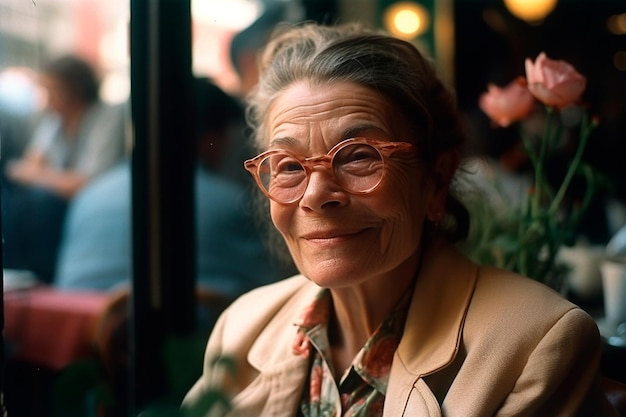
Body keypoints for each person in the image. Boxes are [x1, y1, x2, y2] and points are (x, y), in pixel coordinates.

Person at [181, 23, 616, 416]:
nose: (315, 196)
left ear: (437, 179)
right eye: (290, 167)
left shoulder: (536, 342)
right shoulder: (242, 328)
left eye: (358, 157)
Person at [54, 78, 293, 298]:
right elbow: (277, 290)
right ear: (213, 137)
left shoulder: (90, 195)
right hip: (191, 341)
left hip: (81, 337)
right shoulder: (234, 203)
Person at [1, 54, 127, 282]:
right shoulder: (56, 120)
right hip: (61, 203)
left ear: (73, 91)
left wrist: (40, 176)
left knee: (39, 203)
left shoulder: (105, 118)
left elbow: (88, 185)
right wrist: (46, 176)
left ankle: (42, 277)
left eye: (51, 91)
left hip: (91, 208)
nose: (46, 100)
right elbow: (28, 166)